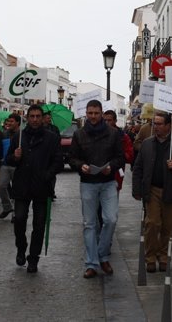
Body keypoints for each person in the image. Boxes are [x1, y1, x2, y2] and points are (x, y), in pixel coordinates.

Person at [132, 112, 172, 272]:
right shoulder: (147, 144)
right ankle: (150, 257)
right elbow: (138, 168)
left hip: (171, 190)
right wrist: (137, 189)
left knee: (168, 227)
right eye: (154, 123)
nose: (156, 127)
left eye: (159, 124)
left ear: (168, 126)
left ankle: (164, 256)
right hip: (152, 189)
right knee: (152, 223)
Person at [69, 99, 124, 279]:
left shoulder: (113, 133)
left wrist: (111, 167)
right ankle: (92, 262)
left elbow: (120, 158)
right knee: (89, 224)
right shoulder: (79, 134)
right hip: (88, 183)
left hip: (108, 182)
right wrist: (81, 166)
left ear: (101, 113)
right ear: (86, 113)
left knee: (110, 219)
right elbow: (72, 158)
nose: (93, 116)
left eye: (96, 113)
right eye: (90, 113)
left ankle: (102, 254)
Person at [6, 105, 62, 273]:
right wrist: (15, 157)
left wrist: (47, 175)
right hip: (22, 185)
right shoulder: (18, 136)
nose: (35, 119)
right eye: (32, 116)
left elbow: (58, 161)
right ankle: (21, 247)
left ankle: (33, 258)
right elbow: (8, 159)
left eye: (38, 116)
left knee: (39, 224)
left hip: (42, 187)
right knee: (20, 219)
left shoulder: (51, 138)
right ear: (27, 118)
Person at [103, 110, 134, 191]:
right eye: (104, 120)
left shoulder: (123, 137)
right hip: (101, 174)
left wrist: (119, 155)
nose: (106, 122)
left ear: (115, 121)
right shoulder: (98, 135)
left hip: (116, 172)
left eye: (109, 120)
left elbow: (130, 156)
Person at [0, 114, 21, 221]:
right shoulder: (4, 134)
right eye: (8, 121)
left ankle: (15, 213)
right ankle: (7, 207)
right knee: (0, 186)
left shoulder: (22, 135)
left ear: (17, 123)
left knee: (17, 190)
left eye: (11, 121)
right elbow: (0, 146)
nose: (9, 123)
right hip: (5, 164)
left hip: (17, 166)